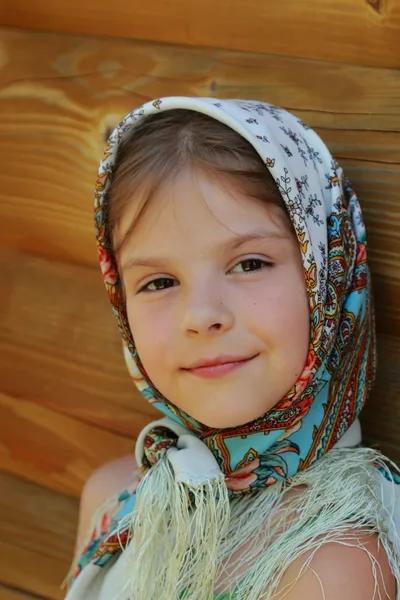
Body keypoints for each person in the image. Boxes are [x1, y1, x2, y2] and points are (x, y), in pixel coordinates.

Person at [63, 97, 400, 600]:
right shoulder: (116, 500)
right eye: (158, 281)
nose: (201, 315)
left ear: (329, 281)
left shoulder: (333, 565)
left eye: (250, 264)